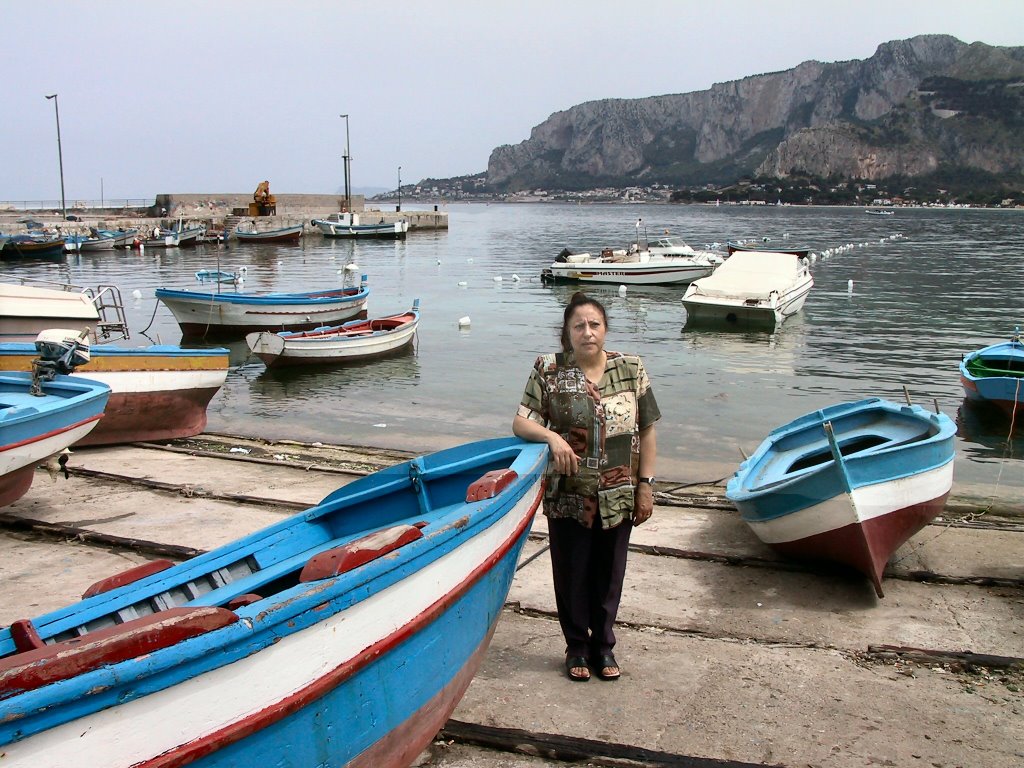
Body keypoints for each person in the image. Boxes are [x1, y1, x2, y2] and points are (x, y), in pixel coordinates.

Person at [513, 292, 660, 682]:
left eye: (594, 324)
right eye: (578, 325)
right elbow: (520, 422)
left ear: (605, 329)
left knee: (610, 573)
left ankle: (603, 646)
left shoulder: (631, 368)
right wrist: (552, 438)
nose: (587, 332)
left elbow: (647, 430)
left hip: (619, 491)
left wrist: (645, 485)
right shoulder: (549, 369)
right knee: (572, 570)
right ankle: (576, 646)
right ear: (567, 332)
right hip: (569, 491)